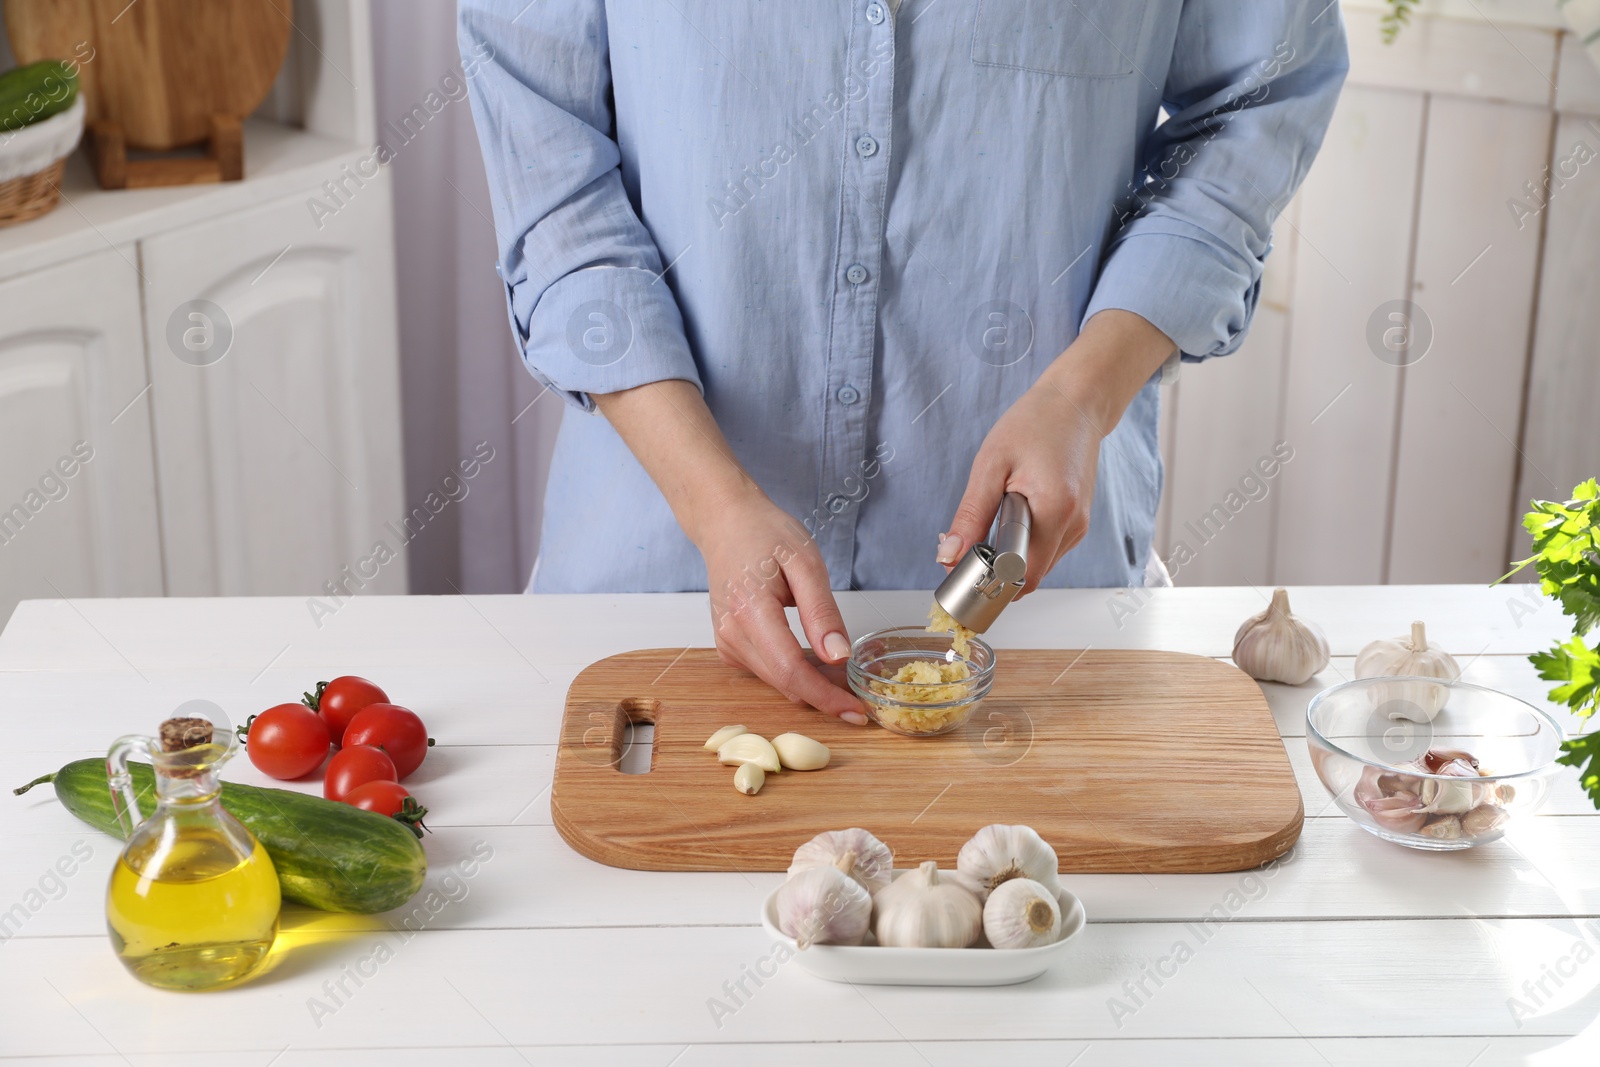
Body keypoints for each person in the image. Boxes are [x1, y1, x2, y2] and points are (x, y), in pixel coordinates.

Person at [460, 1, 1348, 723]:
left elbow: (1260, 106)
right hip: (648, 599)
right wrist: (713, 501)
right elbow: (555, 183)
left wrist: (1084, 393)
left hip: (1049, 622)